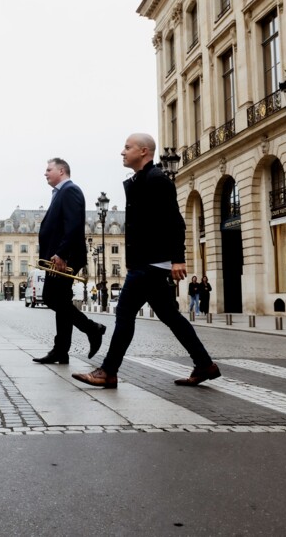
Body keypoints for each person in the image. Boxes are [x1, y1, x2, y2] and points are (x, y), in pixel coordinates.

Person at [72, 133, 221, 388]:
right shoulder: (140, 181)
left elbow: (175, 222)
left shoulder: (157, 180)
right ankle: (204, 364)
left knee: (124, 313)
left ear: (143, 151)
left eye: (127, 147)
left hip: (149, 263)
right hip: (146, 262)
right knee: (171, 317)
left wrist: (177, 259)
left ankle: (108, 371)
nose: (122, 152)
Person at [33, 157, 106, 365]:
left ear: (62, 171)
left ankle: (93, 329)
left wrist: (62, 254)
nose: (45, 173)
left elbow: (73, 225)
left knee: (51, 297)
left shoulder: (70, 191)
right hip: (58, 257)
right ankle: (61, 350)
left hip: (64, 258)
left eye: (49, 169)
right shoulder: (60, 193)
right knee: (61, 301)